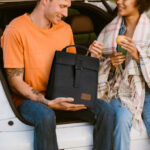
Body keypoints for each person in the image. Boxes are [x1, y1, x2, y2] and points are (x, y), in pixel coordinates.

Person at [1, 0, 115, 150]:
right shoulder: (15, 30)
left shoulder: (65, 29)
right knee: (45, 116)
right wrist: (48, 102)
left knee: (106, 110)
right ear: (45, 1)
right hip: (29, 101)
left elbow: (73, 72)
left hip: (63, 95)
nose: (66, 13)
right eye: (62, 6)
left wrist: (91, 56)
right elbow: (15, 82)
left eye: (68, 8)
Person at [96, 0, 150, 150]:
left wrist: (138, 56)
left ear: (140, 2)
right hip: (120, 92)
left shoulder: (148, 30)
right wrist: (111, 64)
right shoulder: (111, 30)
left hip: (147, 93)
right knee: (121, 120)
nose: (119, 2)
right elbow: (97, 64)